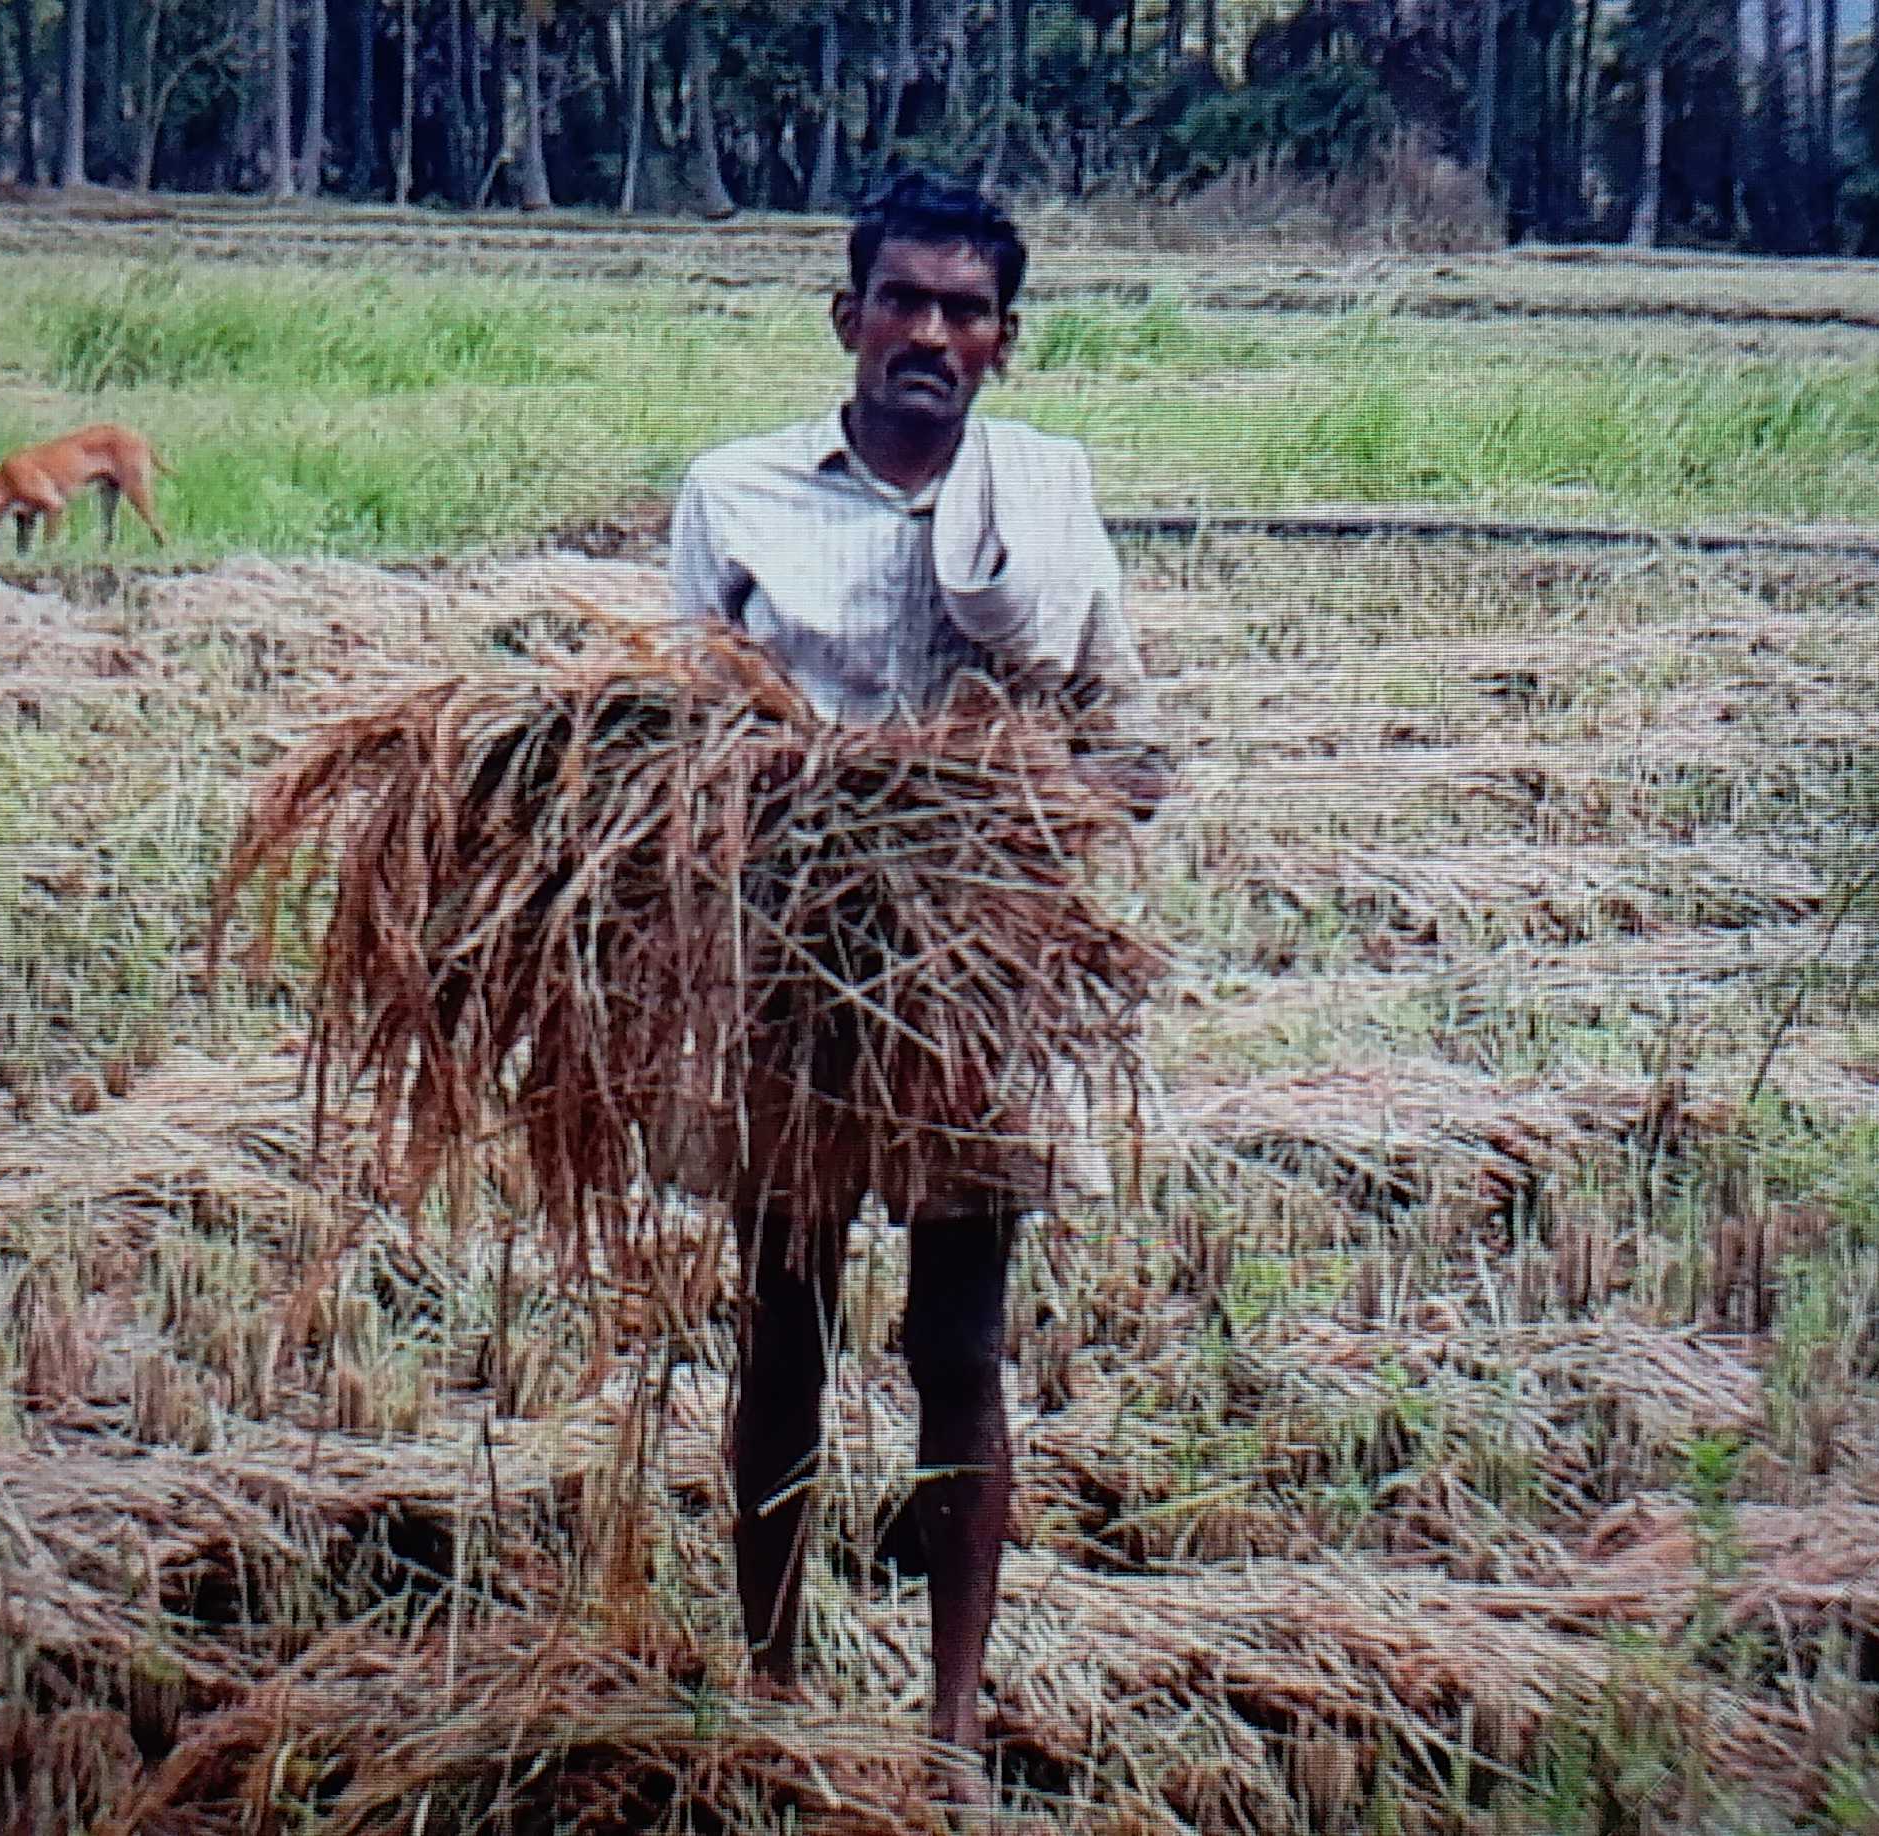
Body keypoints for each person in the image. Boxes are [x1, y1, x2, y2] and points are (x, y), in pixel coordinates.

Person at [660, 168, 1175, 1793]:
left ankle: (951, 1728)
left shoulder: (1046, 500)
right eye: (903, 300)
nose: (930, 334)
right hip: (793, 982)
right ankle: (767, 1681)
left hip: (976, 990)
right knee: (783, 1337)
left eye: (965, 310)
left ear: (1004, 343)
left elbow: (1126, 737)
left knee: (959, 1351)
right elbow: (671, 738)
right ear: (847, 317)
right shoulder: (737, 494)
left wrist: (1050, 805)